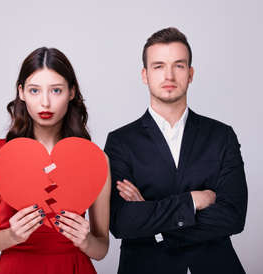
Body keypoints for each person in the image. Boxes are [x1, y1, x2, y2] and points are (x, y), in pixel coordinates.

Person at [104, 27, 248, 274]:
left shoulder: (221, 136)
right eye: (158, 66)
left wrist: (152, 221)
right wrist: (193, 201)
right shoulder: (120, 142)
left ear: (190, 74)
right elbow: (122, 223)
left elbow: (233, 216)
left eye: (178, 66)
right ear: (145, 75)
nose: (168, 75)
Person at [0, 47, 111, 274]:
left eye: (56, 90)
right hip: (17, 267)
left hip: (74, 267)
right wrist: (11, 236)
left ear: (72, 92)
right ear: (22, 92)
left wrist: (85, 241)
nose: (45, 102)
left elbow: (102, 247)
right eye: (35, 90)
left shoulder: (95, 159)